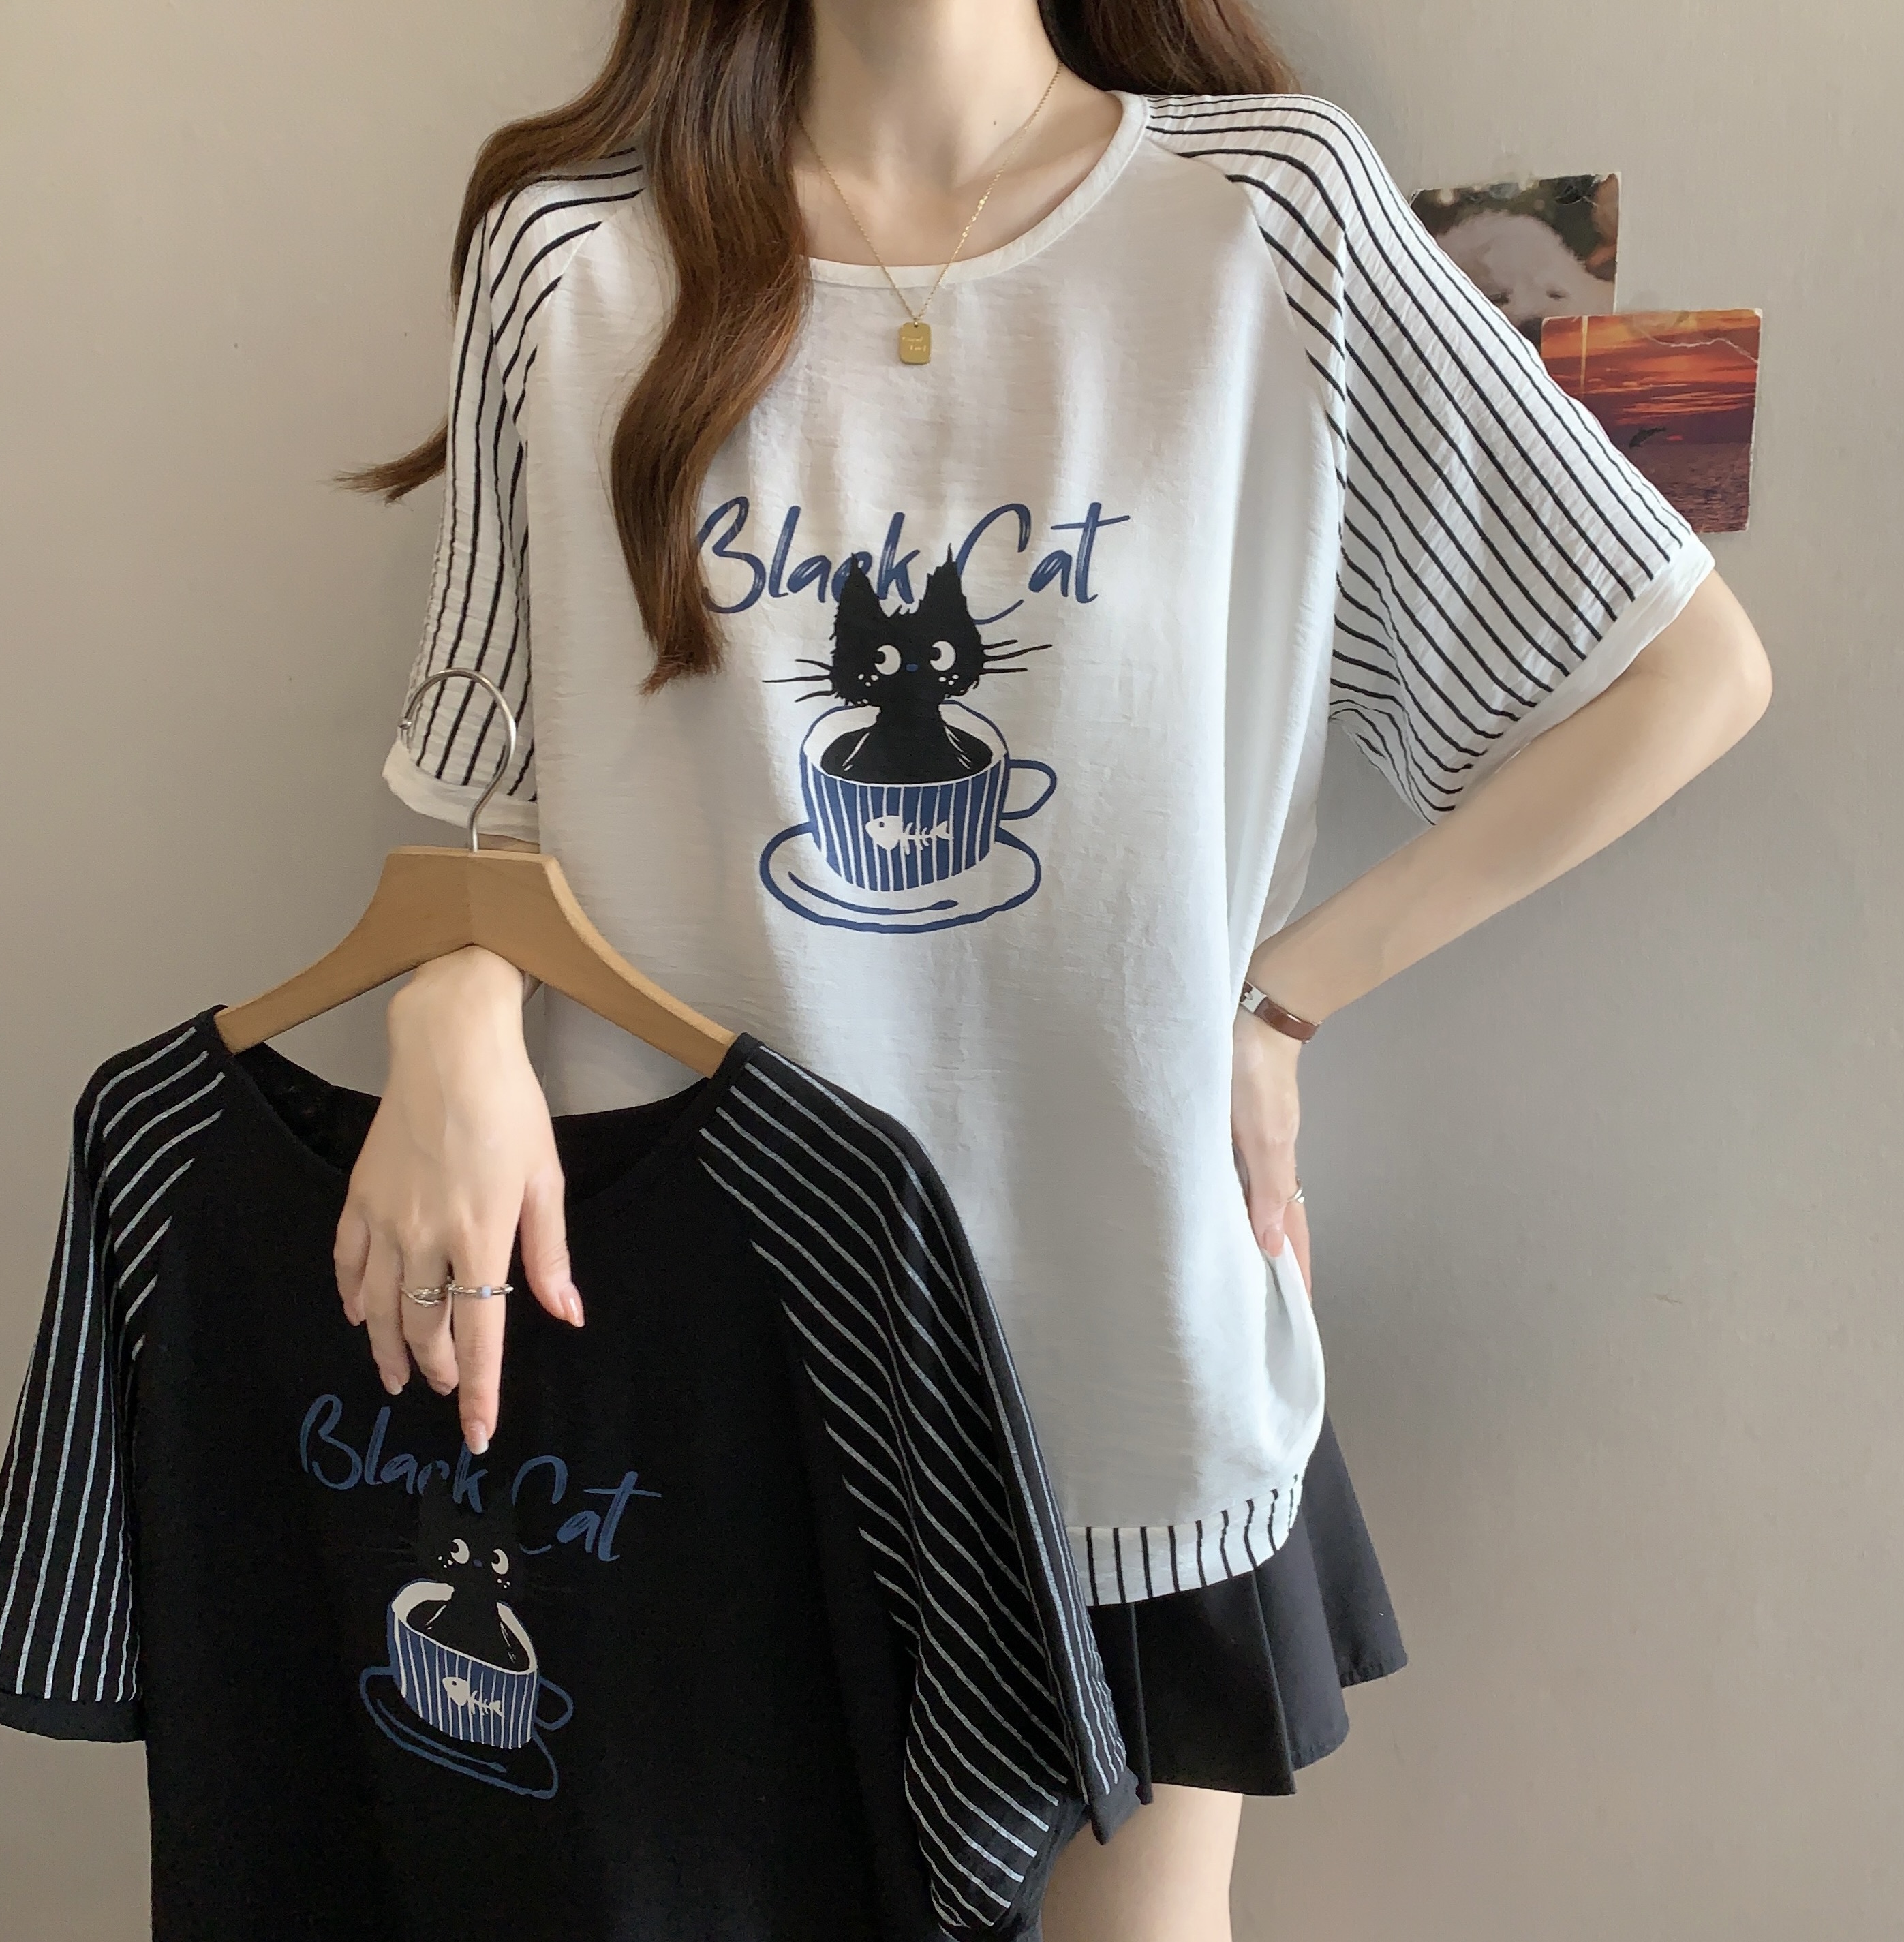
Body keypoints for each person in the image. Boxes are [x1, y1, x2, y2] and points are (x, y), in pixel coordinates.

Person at [337, 2, 1772, 1935]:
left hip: (1118, 1345)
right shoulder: (576, 260)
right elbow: (478, 809)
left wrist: (1282, 1002)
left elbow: (1680, 676)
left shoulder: (1267, 221)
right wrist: (447, 1017)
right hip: (695, 1360)